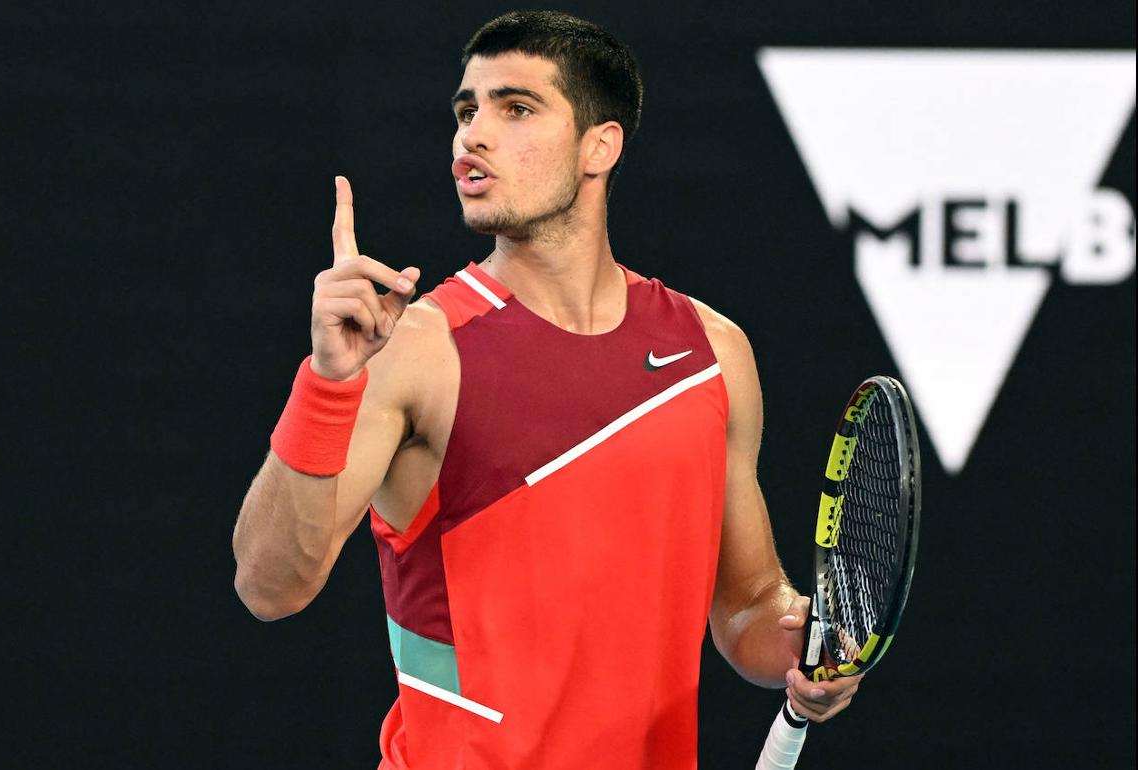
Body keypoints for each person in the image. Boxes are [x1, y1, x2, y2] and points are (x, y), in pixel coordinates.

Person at [232, 10, 861, 769]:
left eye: (516, 108)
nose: (474, 134)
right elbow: (270, 586)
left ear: (601, 145)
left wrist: (802, 644)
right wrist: (328, 385)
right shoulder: (418, 352)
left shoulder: (711, 354)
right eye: (467, 110)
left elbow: (749, 604)